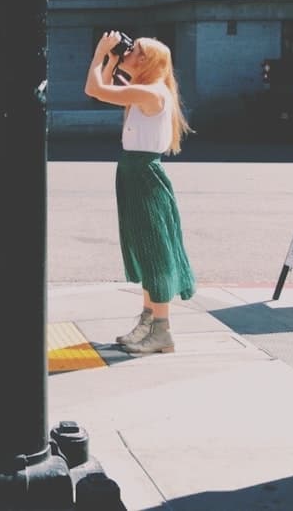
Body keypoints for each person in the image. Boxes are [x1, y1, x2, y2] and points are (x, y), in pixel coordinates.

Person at [84, 31, 196, 354]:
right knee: (145, 248)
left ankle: (161, 331)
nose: (129, 54)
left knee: (155, 249)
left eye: (136, 52)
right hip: (135, 173)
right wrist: (112, 59)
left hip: (143, 175)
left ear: (148, 63)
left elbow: (94, 88)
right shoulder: (147, 91)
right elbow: (104, 87)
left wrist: (101, 52)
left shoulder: (152, 93)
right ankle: (149, 323)